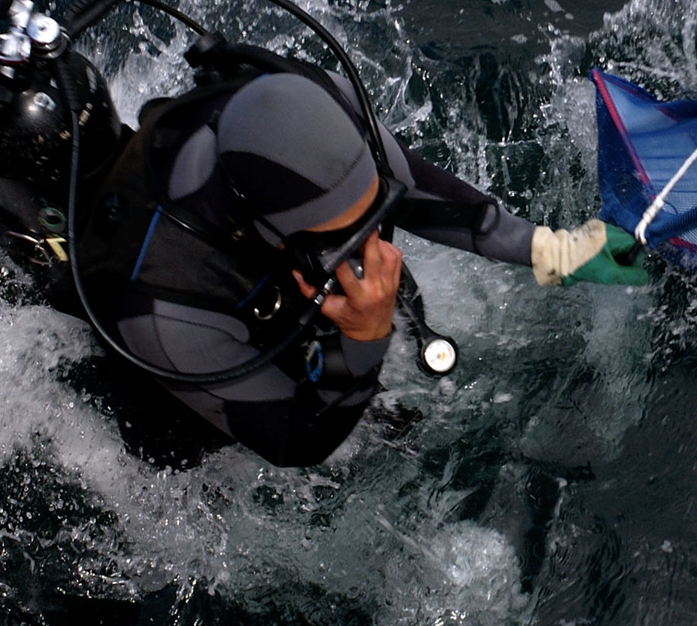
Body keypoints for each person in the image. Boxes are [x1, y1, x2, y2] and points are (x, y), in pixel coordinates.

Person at [73, 70, 647, 467]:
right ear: (274, 234)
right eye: (343, 242)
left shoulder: (321, 105)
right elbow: (294, 443)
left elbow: (417, 190)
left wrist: (547, 249)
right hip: (191, 378)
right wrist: (366, 341)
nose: (379, 251)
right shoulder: (165, 310)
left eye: (373, 216)